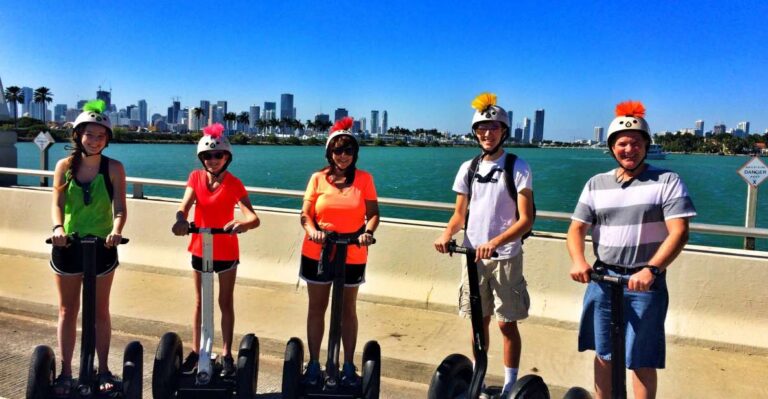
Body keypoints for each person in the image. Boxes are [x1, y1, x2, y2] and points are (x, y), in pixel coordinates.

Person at [567, 100, 696, 399]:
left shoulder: (667, 181)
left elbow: (679, 232)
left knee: (641, 358)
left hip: (645, 283)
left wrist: (651, 269)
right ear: (612, 147)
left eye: (636, 143)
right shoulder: (596, 183)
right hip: (602, 280)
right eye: (622, 143)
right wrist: (578, 261)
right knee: (603, 353)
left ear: (646, 146)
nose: (629, 149)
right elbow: (576, 229)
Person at [434, 93, 534, 395]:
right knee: (479, 323)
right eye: (481, 129)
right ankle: (478, 380)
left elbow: (526, 219)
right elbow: (459, 214)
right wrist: (446, 234)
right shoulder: (469, 167)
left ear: (504, 131)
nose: (487, 134)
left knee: (506, 324)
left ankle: (508, 384)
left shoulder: (518, 166)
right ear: (475, 133)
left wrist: (495, 242)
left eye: (493, 128)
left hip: (505, 258)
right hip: (472, 257)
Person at [50, 99, 127, 395]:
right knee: (67, 310)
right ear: (78, 136)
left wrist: (117, 232)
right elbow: (56, 204)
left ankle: (104, 368)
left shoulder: (114, 168)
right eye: (89, 135)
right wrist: (58, 229)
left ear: (107, 140)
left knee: (100, 312)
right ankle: (66, 372)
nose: (94, 141)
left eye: (100, 136)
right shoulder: (64, 166)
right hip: (67, 245)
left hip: (102, 248)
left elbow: (120, 208)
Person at [171, 122, 260, 378]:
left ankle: (227, 353)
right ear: (202, 158)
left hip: (226, 250)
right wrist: (180, 220)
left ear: (227, 157)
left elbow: (253, 218)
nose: (213, 160)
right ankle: (198, 350)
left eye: (218, 155)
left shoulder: (234, 183)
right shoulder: (195, 178)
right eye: (208, 156)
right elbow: (185, 205)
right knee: (200, 302)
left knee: (224, 302)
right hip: (200, 246)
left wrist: (243, 224)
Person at [299, 116, 379, 387]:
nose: (343, 156)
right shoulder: (317, 179)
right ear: (329, 152)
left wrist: (367, 232)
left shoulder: (365, 179)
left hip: (353, 251)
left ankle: (347, 365)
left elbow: (373, 214)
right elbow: (306, 215)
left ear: (355, 154)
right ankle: (313, 364)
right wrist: (312, 230)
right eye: (338, 150)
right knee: (317, 308)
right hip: (318, 251)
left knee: (347, 309)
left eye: (348, 151)